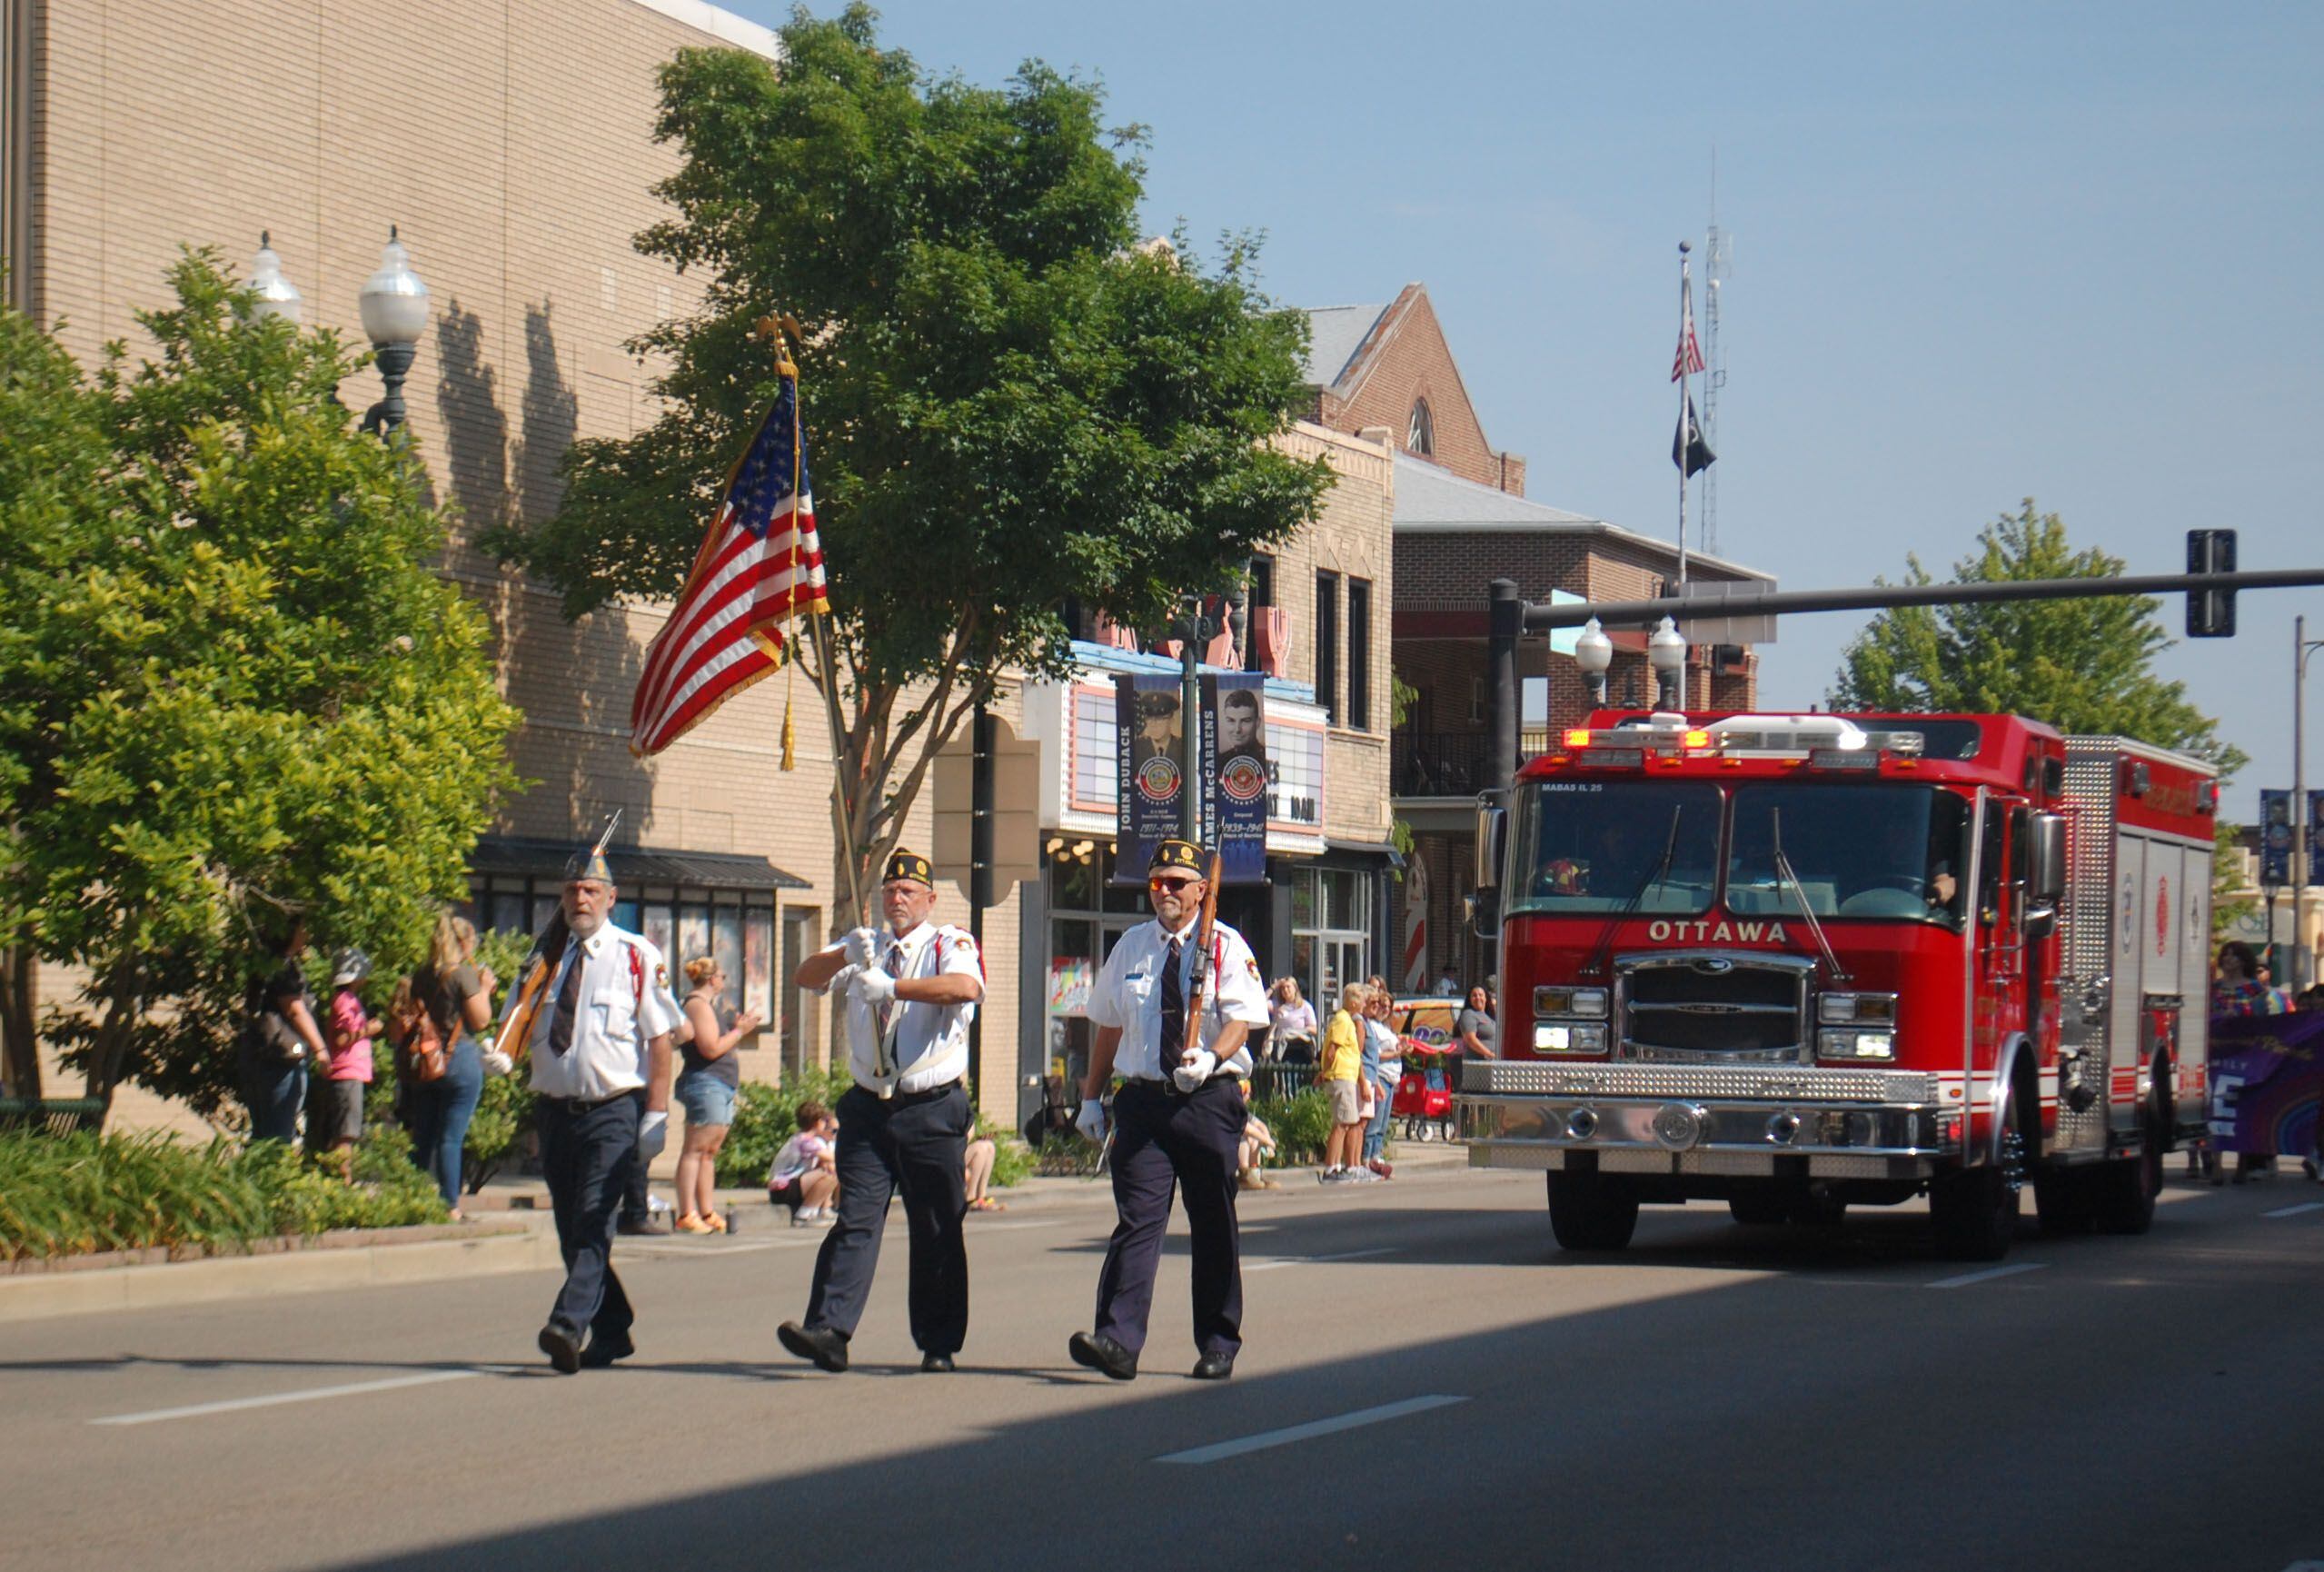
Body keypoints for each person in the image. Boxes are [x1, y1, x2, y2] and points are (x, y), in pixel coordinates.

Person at [1068, 838, 1270, 1382]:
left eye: (1177, 883)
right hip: (1144, 1101)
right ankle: (1117, 1339)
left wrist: (1210, 1056)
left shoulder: (1226, 945)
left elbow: (1242, 1020)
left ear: (1202, 890)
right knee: (1137, 1221)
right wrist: (1091, 1094)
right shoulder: (1132, 947)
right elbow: (1109, 1024)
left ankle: (1218, 1341)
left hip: (1206, 1098)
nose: (1164, 892)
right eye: (1157, 883)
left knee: (1211, 1224)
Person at [778, 849, 984, 1376]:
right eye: (890, 891)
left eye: (908, 892)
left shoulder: (948, 942)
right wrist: (846, 954)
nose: (897, 899)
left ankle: (938, 1342)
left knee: (936, 1225)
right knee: (856, 1218)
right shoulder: (867, 945)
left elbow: (966, 988)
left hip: (930, 1108)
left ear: (930, 899)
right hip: (868, 1108)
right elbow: (805, 975)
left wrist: (893, 987)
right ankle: (829, 1329)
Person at [497, 844, 681, 1374]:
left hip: (612, 1110)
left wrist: (656, 1112)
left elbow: (660, 1038)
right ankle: (614, 1326)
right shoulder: (544, 958)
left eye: (592, 890)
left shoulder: (635, 955)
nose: (582, 899)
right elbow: (519, 1018)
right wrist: (501, 1052)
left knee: (595, 1220)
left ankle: (567, 1324)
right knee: (569, 1228)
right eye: (574, 890)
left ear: (611, 898)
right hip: (556, 1110)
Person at [405, 915, 497, 1218]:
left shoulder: (422, 974)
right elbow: (481, 1020)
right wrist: (484, 988)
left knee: (423, 1135)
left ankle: (413, 1198)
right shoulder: (462, 976)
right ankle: (449, 1206)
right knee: (451, 1137)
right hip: (458, 1058)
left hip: (426, 1060)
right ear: (464, 942)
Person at [674, 956, 761, 1235]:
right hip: (706, 1083)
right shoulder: (697, 1005)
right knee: (695, 1149)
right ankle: (687, 1212)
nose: (724, 981)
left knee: (709, 1153)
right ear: (712, 979)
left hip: (722, 1084)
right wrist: (740, 1031)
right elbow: (711, 1048)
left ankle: (707, 1210)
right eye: (722, 976)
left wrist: (737, 1027)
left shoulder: (711, 1007)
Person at [241, 920, 327, 1146]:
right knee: (277, 1137)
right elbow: (295, 1009)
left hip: (255, 1055)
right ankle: (274, 1178)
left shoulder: (262, 965)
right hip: (281, 1060)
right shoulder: (284, 968)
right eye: (302, 929)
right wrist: (320, 1049)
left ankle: (255, 1179)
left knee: (260, 1135)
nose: (306, 934)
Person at [311, 948, 381, 1163]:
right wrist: (367, 1030)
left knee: (345, 1132)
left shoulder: (348, 999)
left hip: (351, 1075)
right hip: (347, 1074)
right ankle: (343, 1179)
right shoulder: (344, 1001)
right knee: (345, 1135)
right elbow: (342, 1039)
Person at [1317, 983, 1369, 1182]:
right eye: (1363, 1000)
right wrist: (1326, 1072)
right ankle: (1331, 1168)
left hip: (1346, 1075)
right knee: (1341, 1124)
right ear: (1354, 1002)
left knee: (1345, 1123)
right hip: (1340, 1076)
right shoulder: (1343, 1020)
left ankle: (1336, 1166)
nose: (1364, 1004)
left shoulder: (1346, 1020)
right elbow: (1331, 1050)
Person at [768, 1100, 839, 1224]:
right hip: (782, 1189)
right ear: (817, 1122)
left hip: (789, 1187)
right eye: (823, 1120)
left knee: (830, 1168)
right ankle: (803, 1215)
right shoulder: (804, 1141)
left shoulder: (804, 1138)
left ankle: (816, 1211)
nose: (825, 1124)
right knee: (830, 1172)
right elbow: (833, 1158)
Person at [1363, 985, 1401, 1179]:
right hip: (1381, 1077)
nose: (1384, 1008)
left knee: (1383, 1125)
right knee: (1375, 1123)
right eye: (1381, 1005)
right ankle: (1367, 1158)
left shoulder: (1387, 1027)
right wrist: (1396, 1053)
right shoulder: (1370, 1026)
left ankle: (1377, 1157)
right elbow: (1374, 1055)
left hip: (1391, 1078)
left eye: (1387, 1006)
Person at [1237, 1084, 1279, 1190]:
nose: (1249, 1097)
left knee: (1255, 1139)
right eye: (1247, 1093)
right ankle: (1244, 1174)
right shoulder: (1232, 1110)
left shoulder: (1243, 1111)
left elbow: (1261, 1126)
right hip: (1227, 1147)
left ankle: (1255, 1174)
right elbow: (1247, 1128)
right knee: (1244, 1138)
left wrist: (1266, 1140)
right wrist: (1269, 1142)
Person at [1266, 977, 1316, 1065]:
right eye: (1282, 988)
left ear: (1295, 989)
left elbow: (1314, 1029)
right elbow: (1260, 1003)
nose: (1285, 990)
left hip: (1300, 1050)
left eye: (1288, 987)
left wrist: (1296, 1031)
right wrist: (1274, 987)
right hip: (1281, 1051)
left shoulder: (1305, 1006)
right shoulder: (1277, 1005)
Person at [963, 1127, 1004, 1212]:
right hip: (944, 1154)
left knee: (989, 1146)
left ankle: (981, 1195)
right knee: (979, 1149)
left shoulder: (965, 1114)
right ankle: (970, 1197)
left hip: (957, 1149)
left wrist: (978, 1137)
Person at [1457, 984, 1498, 1060]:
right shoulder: (1469, 1014)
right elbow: (1470, 1039)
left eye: (1481, 995)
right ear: (1470, 1000)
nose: (1478, 997)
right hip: (1478, 1063)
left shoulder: (1489, 1017)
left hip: (1491, 1063)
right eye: (1474, 995)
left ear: (1486, 998)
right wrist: (1489, 1054)